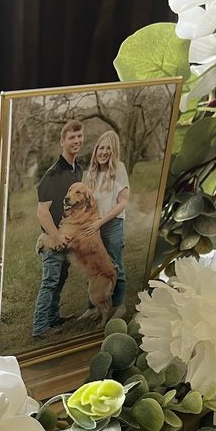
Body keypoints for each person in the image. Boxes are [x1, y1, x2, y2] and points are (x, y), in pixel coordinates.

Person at [32, 120, 84, 339]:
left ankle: (54, 318)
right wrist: (56, 236)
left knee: (61, 279)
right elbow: (42, 212)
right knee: (50, 282)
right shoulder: (53, 174)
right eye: (72, 137)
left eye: (80, 136)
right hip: (53, 238)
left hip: (68, 236)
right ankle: (39, 327)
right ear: (62, 141)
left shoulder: (77, 170)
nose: (77, 141)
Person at [83, 130, 129, 313]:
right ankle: (92, 307)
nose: (103, 152)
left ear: (113, 151)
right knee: (93, 266)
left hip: (112, 225)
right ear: (95, 150)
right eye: (100, 148)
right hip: (93, 226)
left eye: (108, 148)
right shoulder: (92, 173)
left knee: (115, 265)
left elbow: (123, 202)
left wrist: (101, 222)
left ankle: (119, 305)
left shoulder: (119, 169)